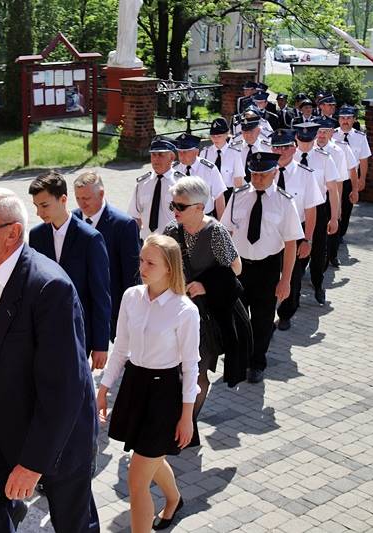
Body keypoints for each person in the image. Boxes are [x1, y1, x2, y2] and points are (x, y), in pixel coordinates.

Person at [0, 187, 100, 533]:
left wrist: (33, 464)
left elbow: (64, 389)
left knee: (74, 525)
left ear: (13, 233)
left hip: (58, 436)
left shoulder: (50, 289)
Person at [96, 234, 200, 532]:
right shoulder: (131, 297)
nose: (142, 267)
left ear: (169, 267)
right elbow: (120, 347)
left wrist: (187, 417)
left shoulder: (185, 311)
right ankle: (174, 499)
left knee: (136, 479)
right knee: (149, 457)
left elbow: (191, 367)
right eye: (141, 260)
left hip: (165, 395)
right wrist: (103, 389)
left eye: (150, 263)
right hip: (135, 386)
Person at [163, 177, 249, 447]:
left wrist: (206, 285)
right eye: (173, 205)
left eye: (181, 206)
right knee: (174, 371)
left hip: (205, 317)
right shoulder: (171, 230)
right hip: (175, 312)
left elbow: (236, 269)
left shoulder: (215, 233)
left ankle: (186, 429)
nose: (175, 210)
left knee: (197, 373)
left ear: (200, 207)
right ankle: (181, 427)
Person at [220, 152, 304, 383]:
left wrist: (285, 280)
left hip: (267, 268)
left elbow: (290, 243)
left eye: (262, 175)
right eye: (253, 174)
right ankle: (238, 358)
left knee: (262, 320)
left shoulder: (284, 202)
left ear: (274, 173)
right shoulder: (238, 196)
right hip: (239, 266)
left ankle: (257, 362)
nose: (256, 179)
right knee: (236, 316)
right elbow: (226, 232)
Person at [28, 171, 112, 369]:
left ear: (63, 199)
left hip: (79, 331)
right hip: (45, 329)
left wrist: (101, 344)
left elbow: (101, 294)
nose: (39, 213)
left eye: (44, 205)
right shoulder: (36, 235)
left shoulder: (90, 238)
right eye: (36, 206)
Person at [73, 171, 140, 340]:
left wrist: (130, 310)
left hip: (112, 307)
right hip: (80, 307)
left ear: (101, 194)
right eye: (78, 198)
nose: (81, 203)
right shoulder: (72, 220)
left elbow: (131, 273)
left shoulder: (124, 225)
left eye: (86, 198)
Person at [270, 130, 325, 331]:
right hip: (270, 230)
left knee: (292, 275)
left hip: (295, 231)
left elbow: (310, 210)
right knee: (268, 274)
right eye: (276, 147)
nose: (281, 151)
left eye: (285, 147)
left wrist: (307, 240)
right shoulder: (265, 172)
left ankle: (286, 313)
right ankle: (266, 313)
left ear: (294, 148)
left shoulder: (305, 174)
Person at [294, 122, 340, 304]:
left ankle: (318, 284)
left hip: (318, 209)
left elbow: (333, 189)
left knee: (319, 250)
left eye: (308, 140)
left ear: (314, 138)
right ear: (296, 138)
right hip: (295, 210)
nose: (305, 145)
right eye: (301, 140)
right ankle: (294, 293)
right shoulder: (289, 157)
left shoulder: (324, 158)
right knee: (296, 252)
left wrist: (334, 217)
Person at [315, 116, 358, 271]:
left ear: (331, 133)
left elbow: (339, 182)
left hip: (330, 195)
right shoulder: (308, 148)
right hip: (314, 196)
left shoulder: (338, 151)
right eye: (319, 131)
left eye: (325, 131)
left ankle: (331, 255)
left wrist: (338, 206)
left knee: (332, 226)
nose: (321, 135)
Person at [332, 105, 371, 266]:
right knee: (334, 206)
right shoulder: (332, 134)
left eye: (348, 118)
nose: (345, 121)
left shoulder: (360, 137)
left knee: (347, 207)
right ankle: (333, 233)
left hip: (350, 179)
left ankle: (341, 233)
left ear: (354, 120)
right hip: (334, 179)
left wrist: (362, 179)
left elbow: (363, 160)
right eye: (342, 118)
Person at [128, 137, 185, 240]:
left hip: (172, 243)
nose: (156, 159)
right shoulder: (142, 184)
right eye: (153, 155)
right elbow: (134, 216)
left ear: (172, 157)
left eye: (161, 155)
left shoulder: (181, 183)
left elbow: (189, 218)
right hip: (147, 242)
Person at [172, 133, 227, 217]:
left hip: (204, 217)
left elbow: (219, 197)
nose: (181, 155)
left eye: (185, 152)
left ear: (196, 152)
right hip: (180, 217)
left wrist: (221, 222)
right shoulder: (173, 170)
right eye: (179, 152)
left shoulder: (209, 169)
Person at [201, 118, 245, 201]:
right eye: (213, 136)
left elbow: (238, 181)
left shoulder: (235, 153)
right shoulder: (205, 153)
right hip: (208, 195)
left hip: (228, 195)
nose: (216, 139)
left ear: (227, 134)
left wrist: (237, 201)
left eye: (219, 136)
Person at [229, 112, 271, 183]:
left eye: (251, 131)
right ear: (242, 132)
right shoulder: (234, 148)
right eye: (245, 132)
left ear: (258, 131)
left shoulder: (268, 149)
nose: (248, 135)